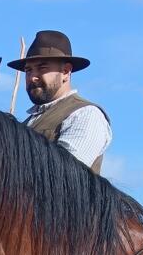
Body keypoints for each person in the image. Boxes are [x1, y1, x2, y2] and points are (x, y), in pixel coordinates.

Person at [10, 30, 112, 172]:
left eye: (42, 68)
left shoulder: (85, 114)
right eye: (28, 70)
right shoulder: (26, 124)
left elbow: (65, 173)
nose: (33, 77)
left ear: (65, 71)